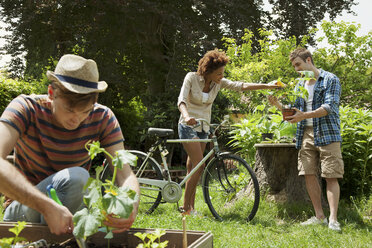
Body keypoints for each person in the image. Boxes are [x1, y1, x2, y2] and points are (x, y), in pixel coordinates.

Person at [0, 54, 140, 235]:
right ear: (51, 93)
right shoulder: (25, 108)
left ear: (94, 102)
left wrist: (131, 204)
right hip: (23, 210)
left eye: (85, 112)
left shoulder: (103, 117)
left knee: (77, 182)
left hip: (71, 210)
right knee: (77, 178)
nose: (77, 119)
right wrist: (46, 206)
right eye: (69, 109)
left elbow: (125, 174)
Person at [177, 49, 281, 216]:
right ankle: (186, 210)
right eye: (218, 73)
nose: (221, 76)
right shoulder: (191, 78)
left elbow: (241, 86)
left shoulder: (218, 83)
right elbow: (181, 100)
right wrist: (187, 116)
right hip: (188, 126)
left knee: (193, 168)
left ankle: (190, 207)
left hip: (203, 127)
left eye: (222, 73)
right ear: (208, 71)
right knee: (199, 165)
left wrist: (267, 86)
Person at [268, 47, 343, 231]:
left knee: (331, 175)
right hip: (306, 134)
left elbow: (329, 107)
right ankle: (320, 216)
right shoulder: (300, 85)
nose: (297, 69)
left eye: (298, 65)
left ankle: (333, 220)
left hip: (327, 132)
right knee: (308, 174)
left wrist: (304, 115)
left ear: (309, 60)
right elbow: (294, 112)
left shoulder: (330, 79)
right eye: (294, 66)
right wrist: (278, 104)